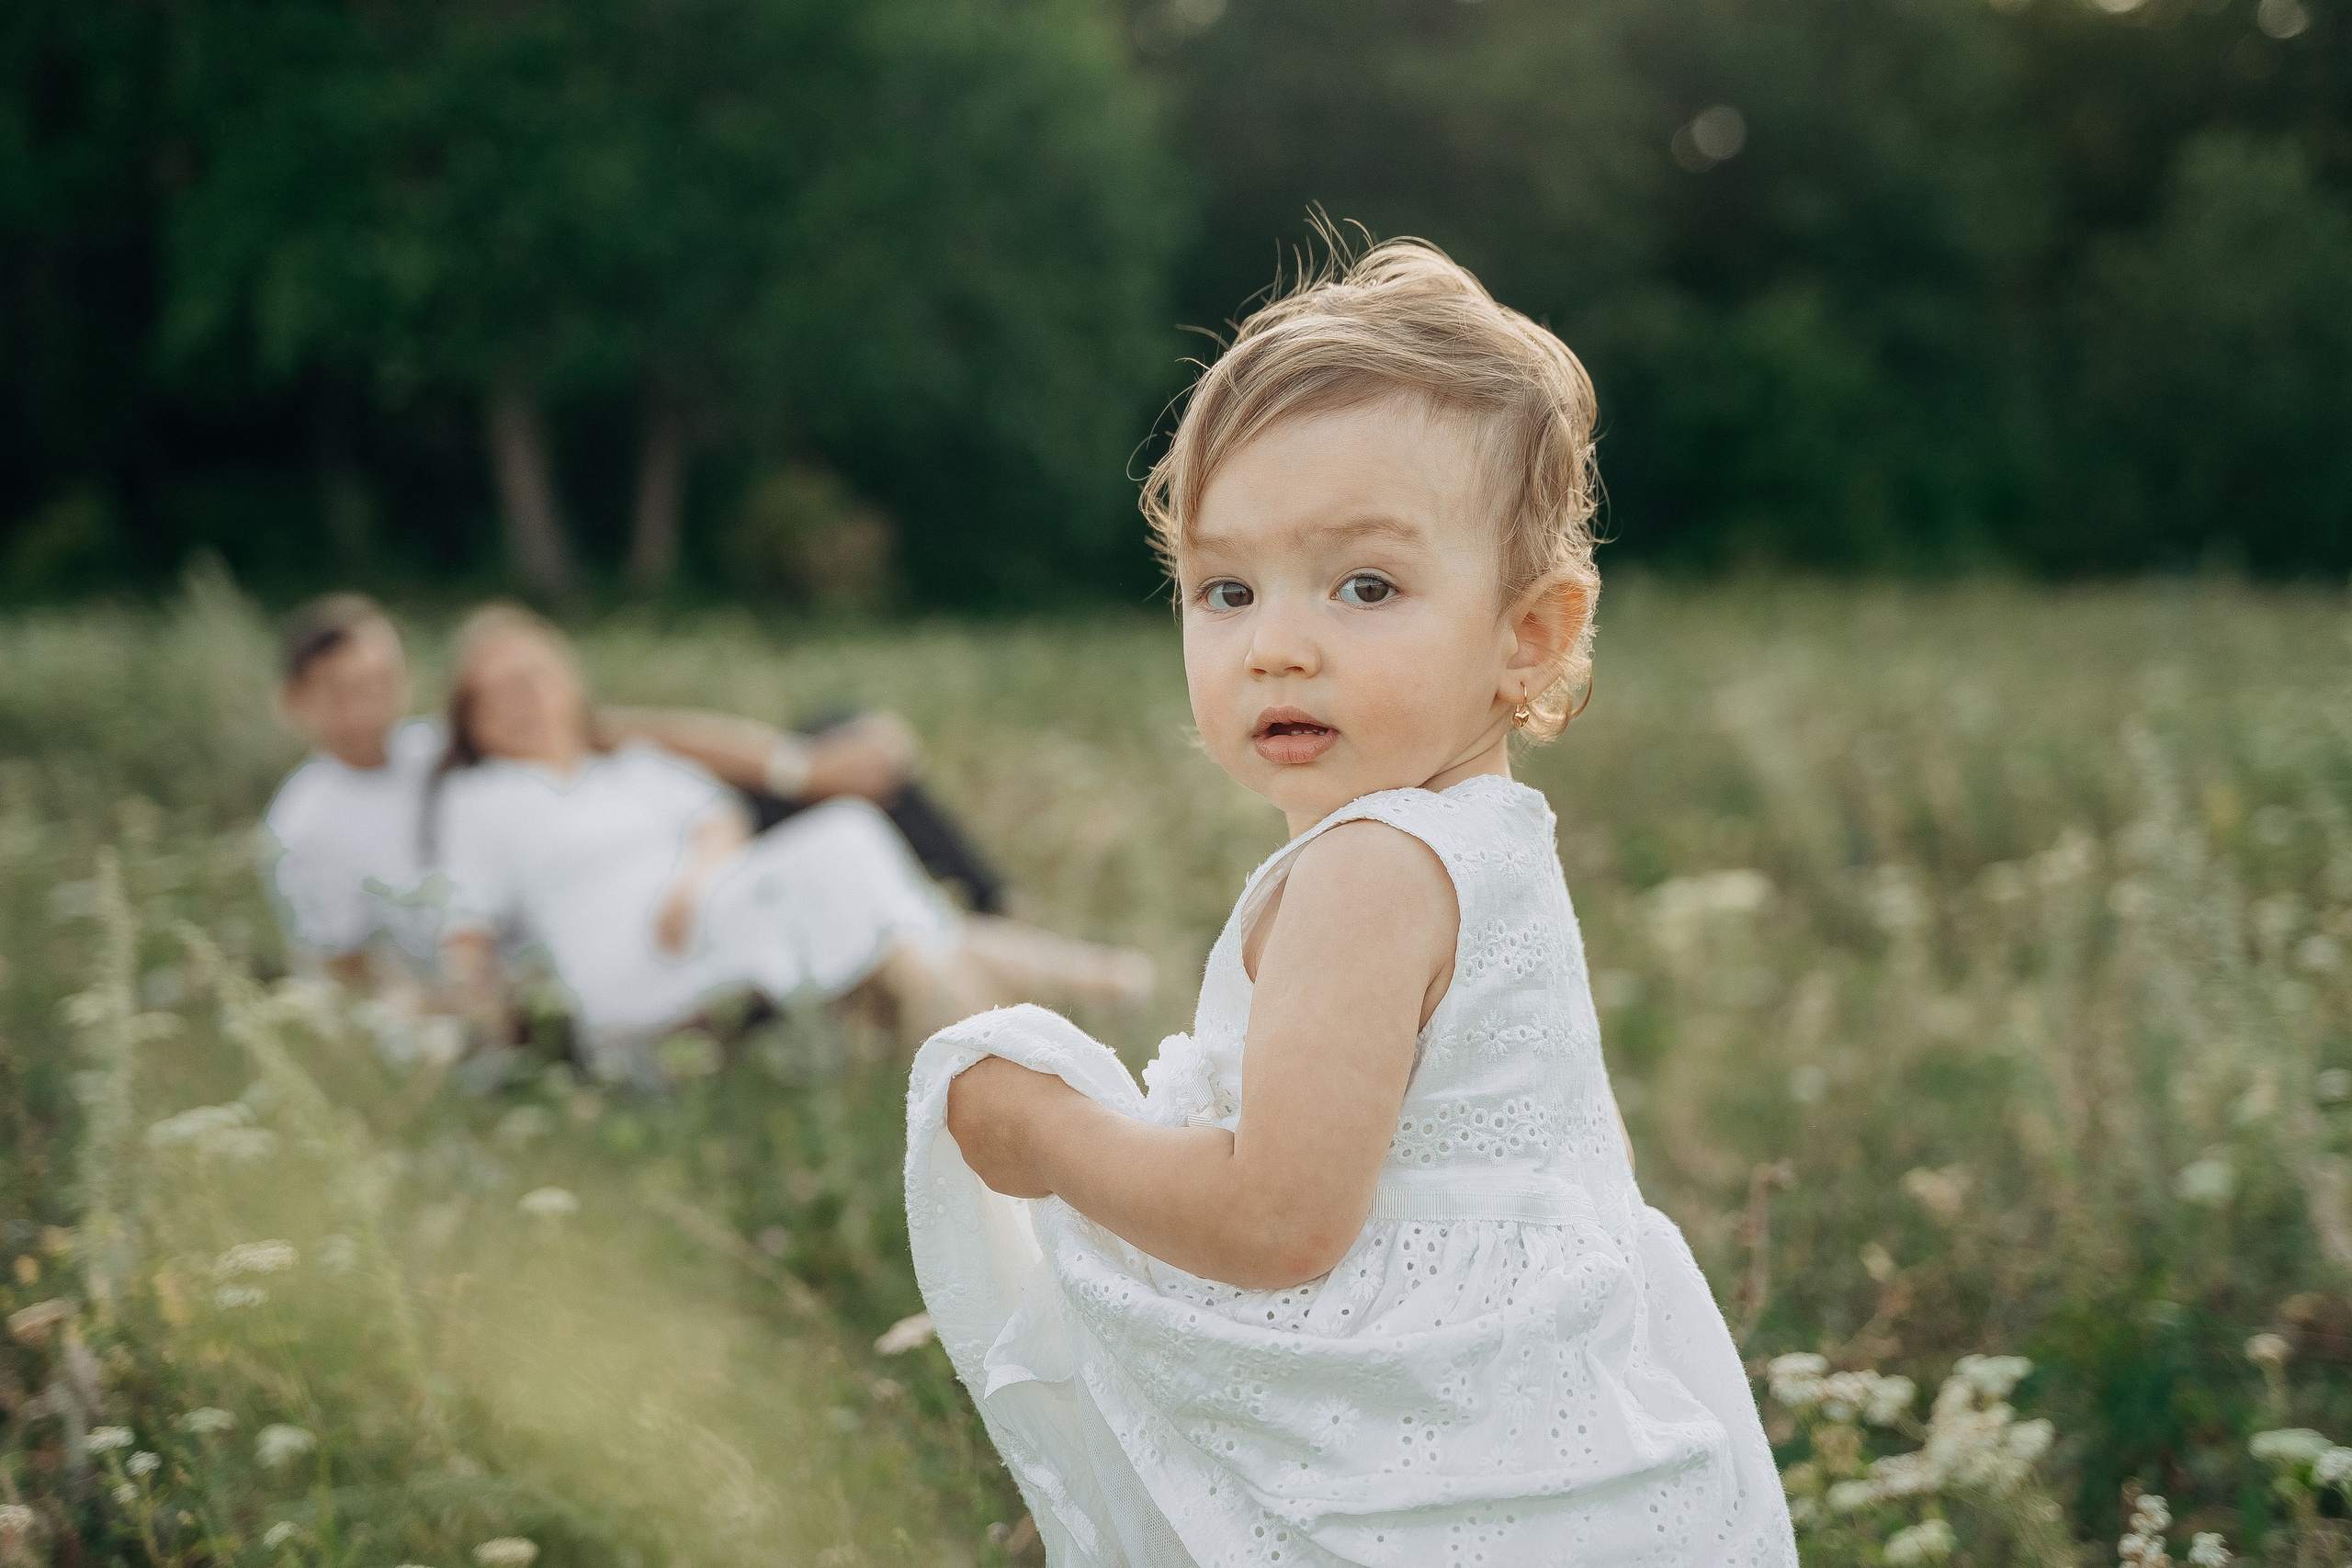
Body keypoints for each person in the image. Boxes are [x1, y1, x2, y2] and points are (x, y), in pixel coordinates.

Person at [904, 241, 1793, 1564]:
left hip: (1422, 1474)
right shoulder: (1483, 837)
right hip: (1527, 1420)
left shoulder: (1373, 869)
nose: (1276, 640)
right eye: (1225, 588)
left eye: (1364, 585)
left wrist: (1043, 1128)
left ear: (1529, 636)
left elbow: (1278, 1220)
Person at [429, 605, 1152, 1062]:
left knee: (855, 861)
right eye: (493, 692)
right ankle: (1027, 1023)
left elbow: (719, 819)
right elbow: (467, 934)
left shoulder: (629, 764)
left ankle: (1000, 1030)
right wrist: (484, 1040)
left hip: (704, 914)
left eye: (532, 675)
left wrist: (695, 875)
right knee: (843, 842)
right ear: (470, 719)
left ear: (568, 679)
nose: (519, 698)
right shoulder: (481, 798)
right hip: (631, 967)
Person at [258, 593, 1002, 993]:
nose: (371, 706)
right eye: (345, 692)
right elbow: (343, 972)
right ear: (296, 703)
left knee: (842, 745)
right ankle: (972, 955)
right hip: (547, 953)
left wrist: (795, 767)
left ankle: (989, 909)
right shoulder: (305, 828)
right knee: (834, 854)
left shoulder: (431, 742)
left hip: (652, 859)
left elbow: (602, 734)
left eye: (382, 681)